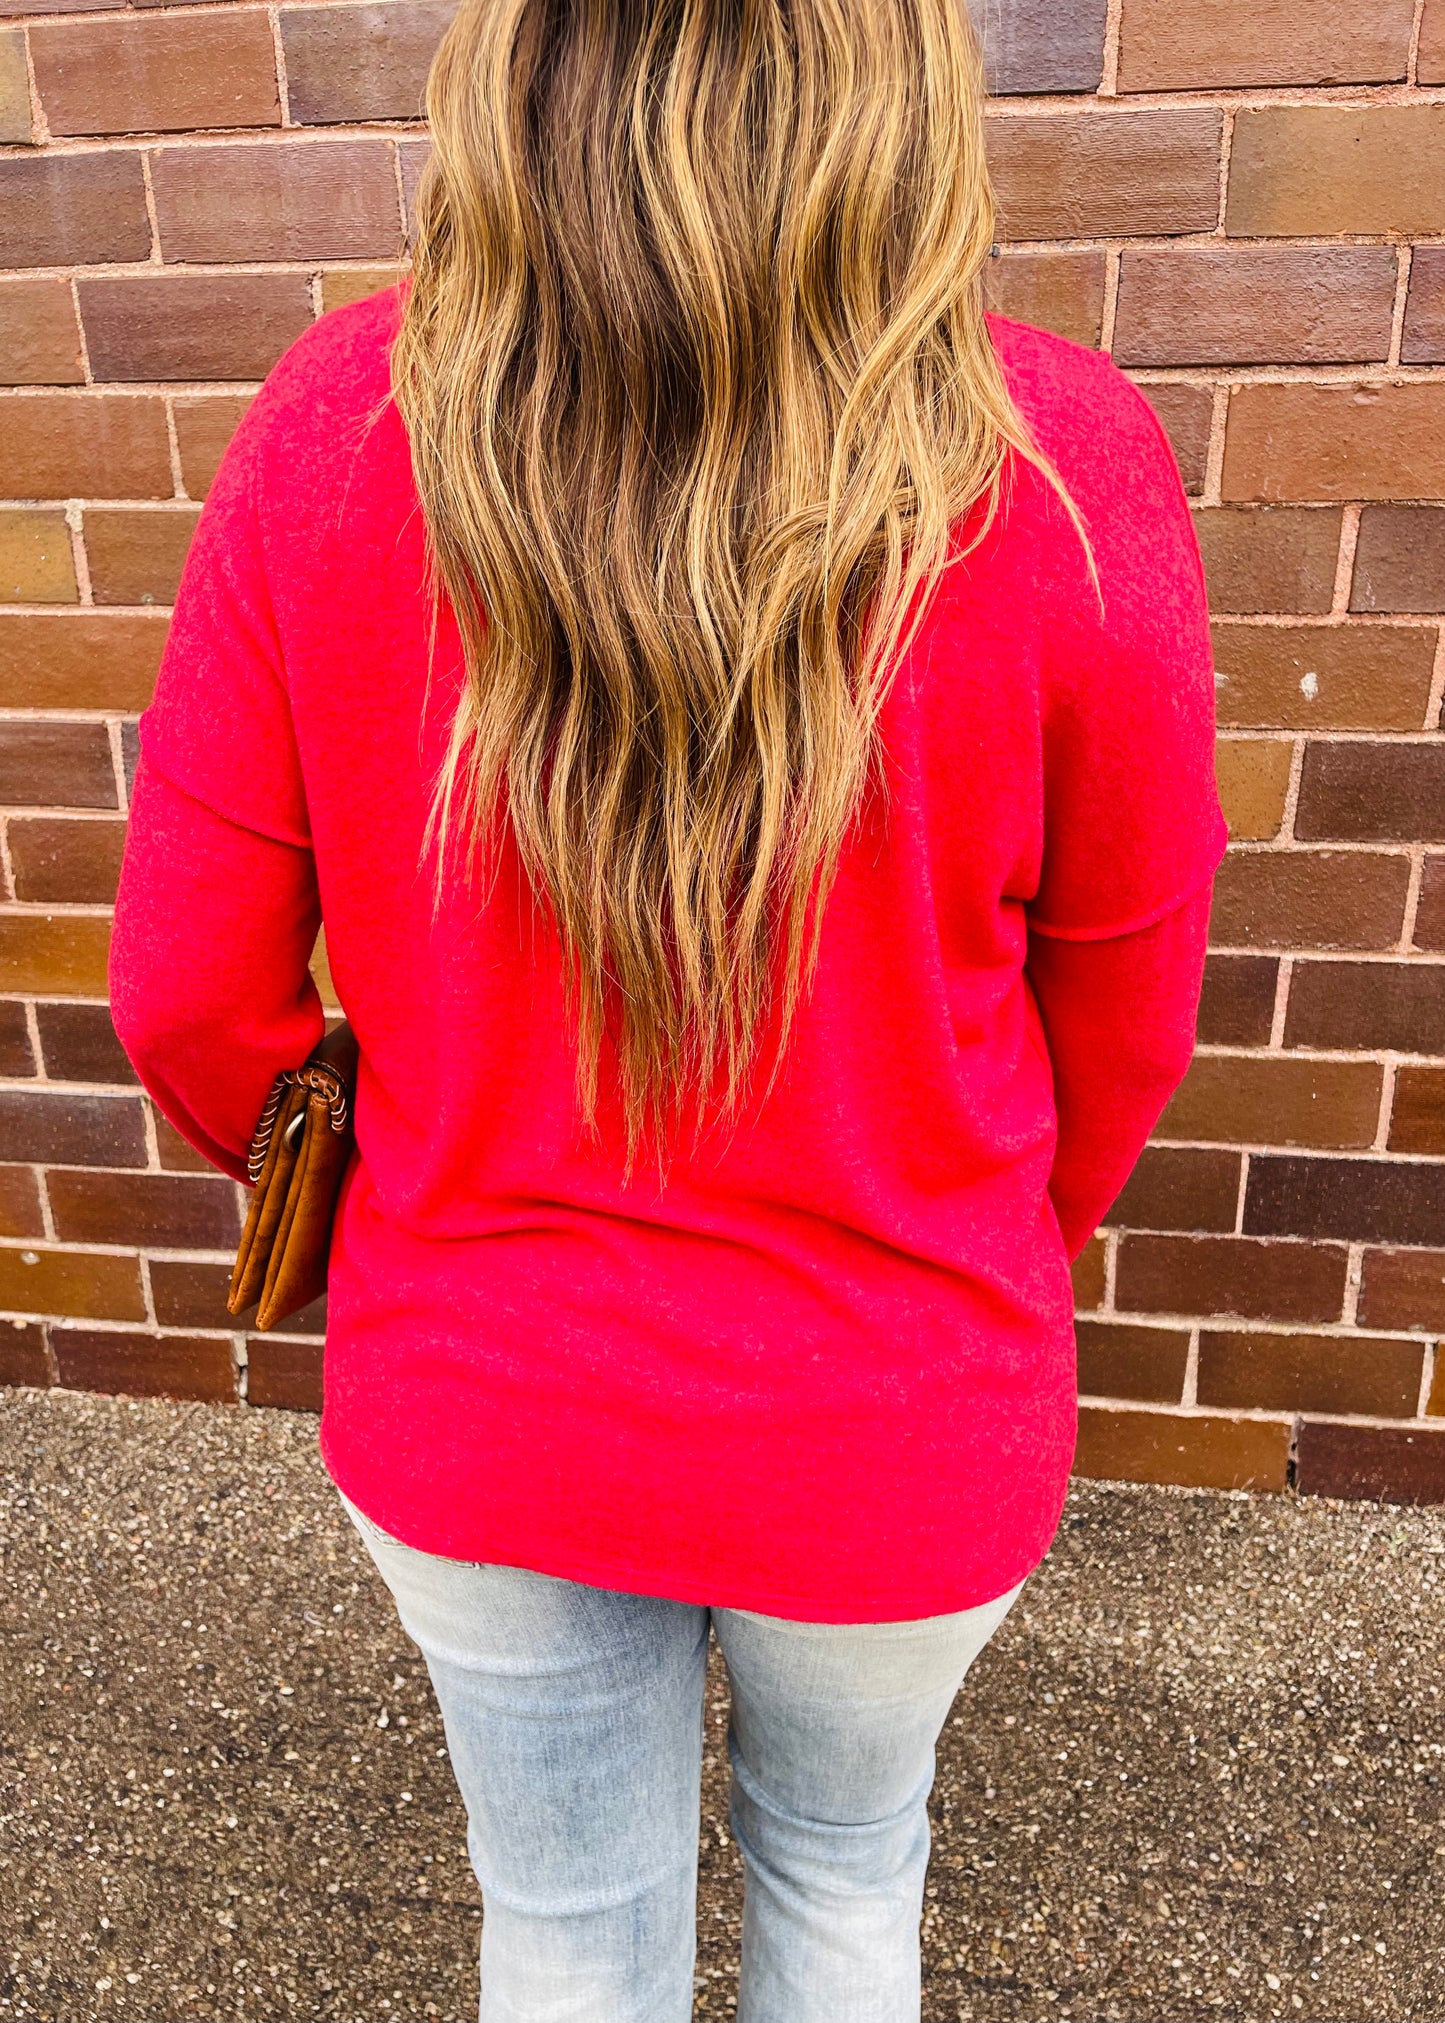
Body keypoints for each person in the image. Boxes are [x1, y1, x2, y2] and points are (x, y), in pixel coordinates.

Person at [108, 0, 1226, 2010]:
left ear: (513, 80)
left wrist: (406, 1213)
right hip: (910, 1402)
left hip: (480, 1392)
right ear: (891, 92)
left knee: (563, 1935)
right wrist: (965, 1250)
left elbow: (186, 991)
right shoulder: (1067, 473)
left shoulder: (332, 432)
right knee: (843, 1887)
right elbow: (1127, 1032)